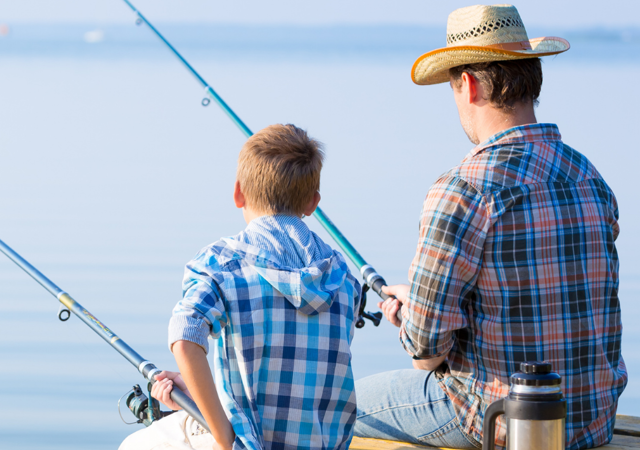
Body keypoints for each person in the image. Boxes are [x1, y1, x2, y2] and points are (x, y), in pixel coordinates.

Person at [353, 4, 626, 450]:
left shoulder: (462, 190)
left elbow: (426, 353)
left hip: (504, 424)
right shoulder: (589, 176)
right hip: (592, 420)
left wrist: (410, 314)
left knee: (336, 403)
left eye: (452, 86)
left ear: (471, 84)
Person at [120, 124, 361, 450]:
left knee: (135, 444)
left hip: (249, 443)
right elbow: (295, 377)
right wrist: (195, 393)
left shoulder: (222, 263)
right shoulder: (344, 277)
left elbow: (184, 334)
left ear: (238, 193)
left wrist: (222, 435)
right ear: (312, 202)